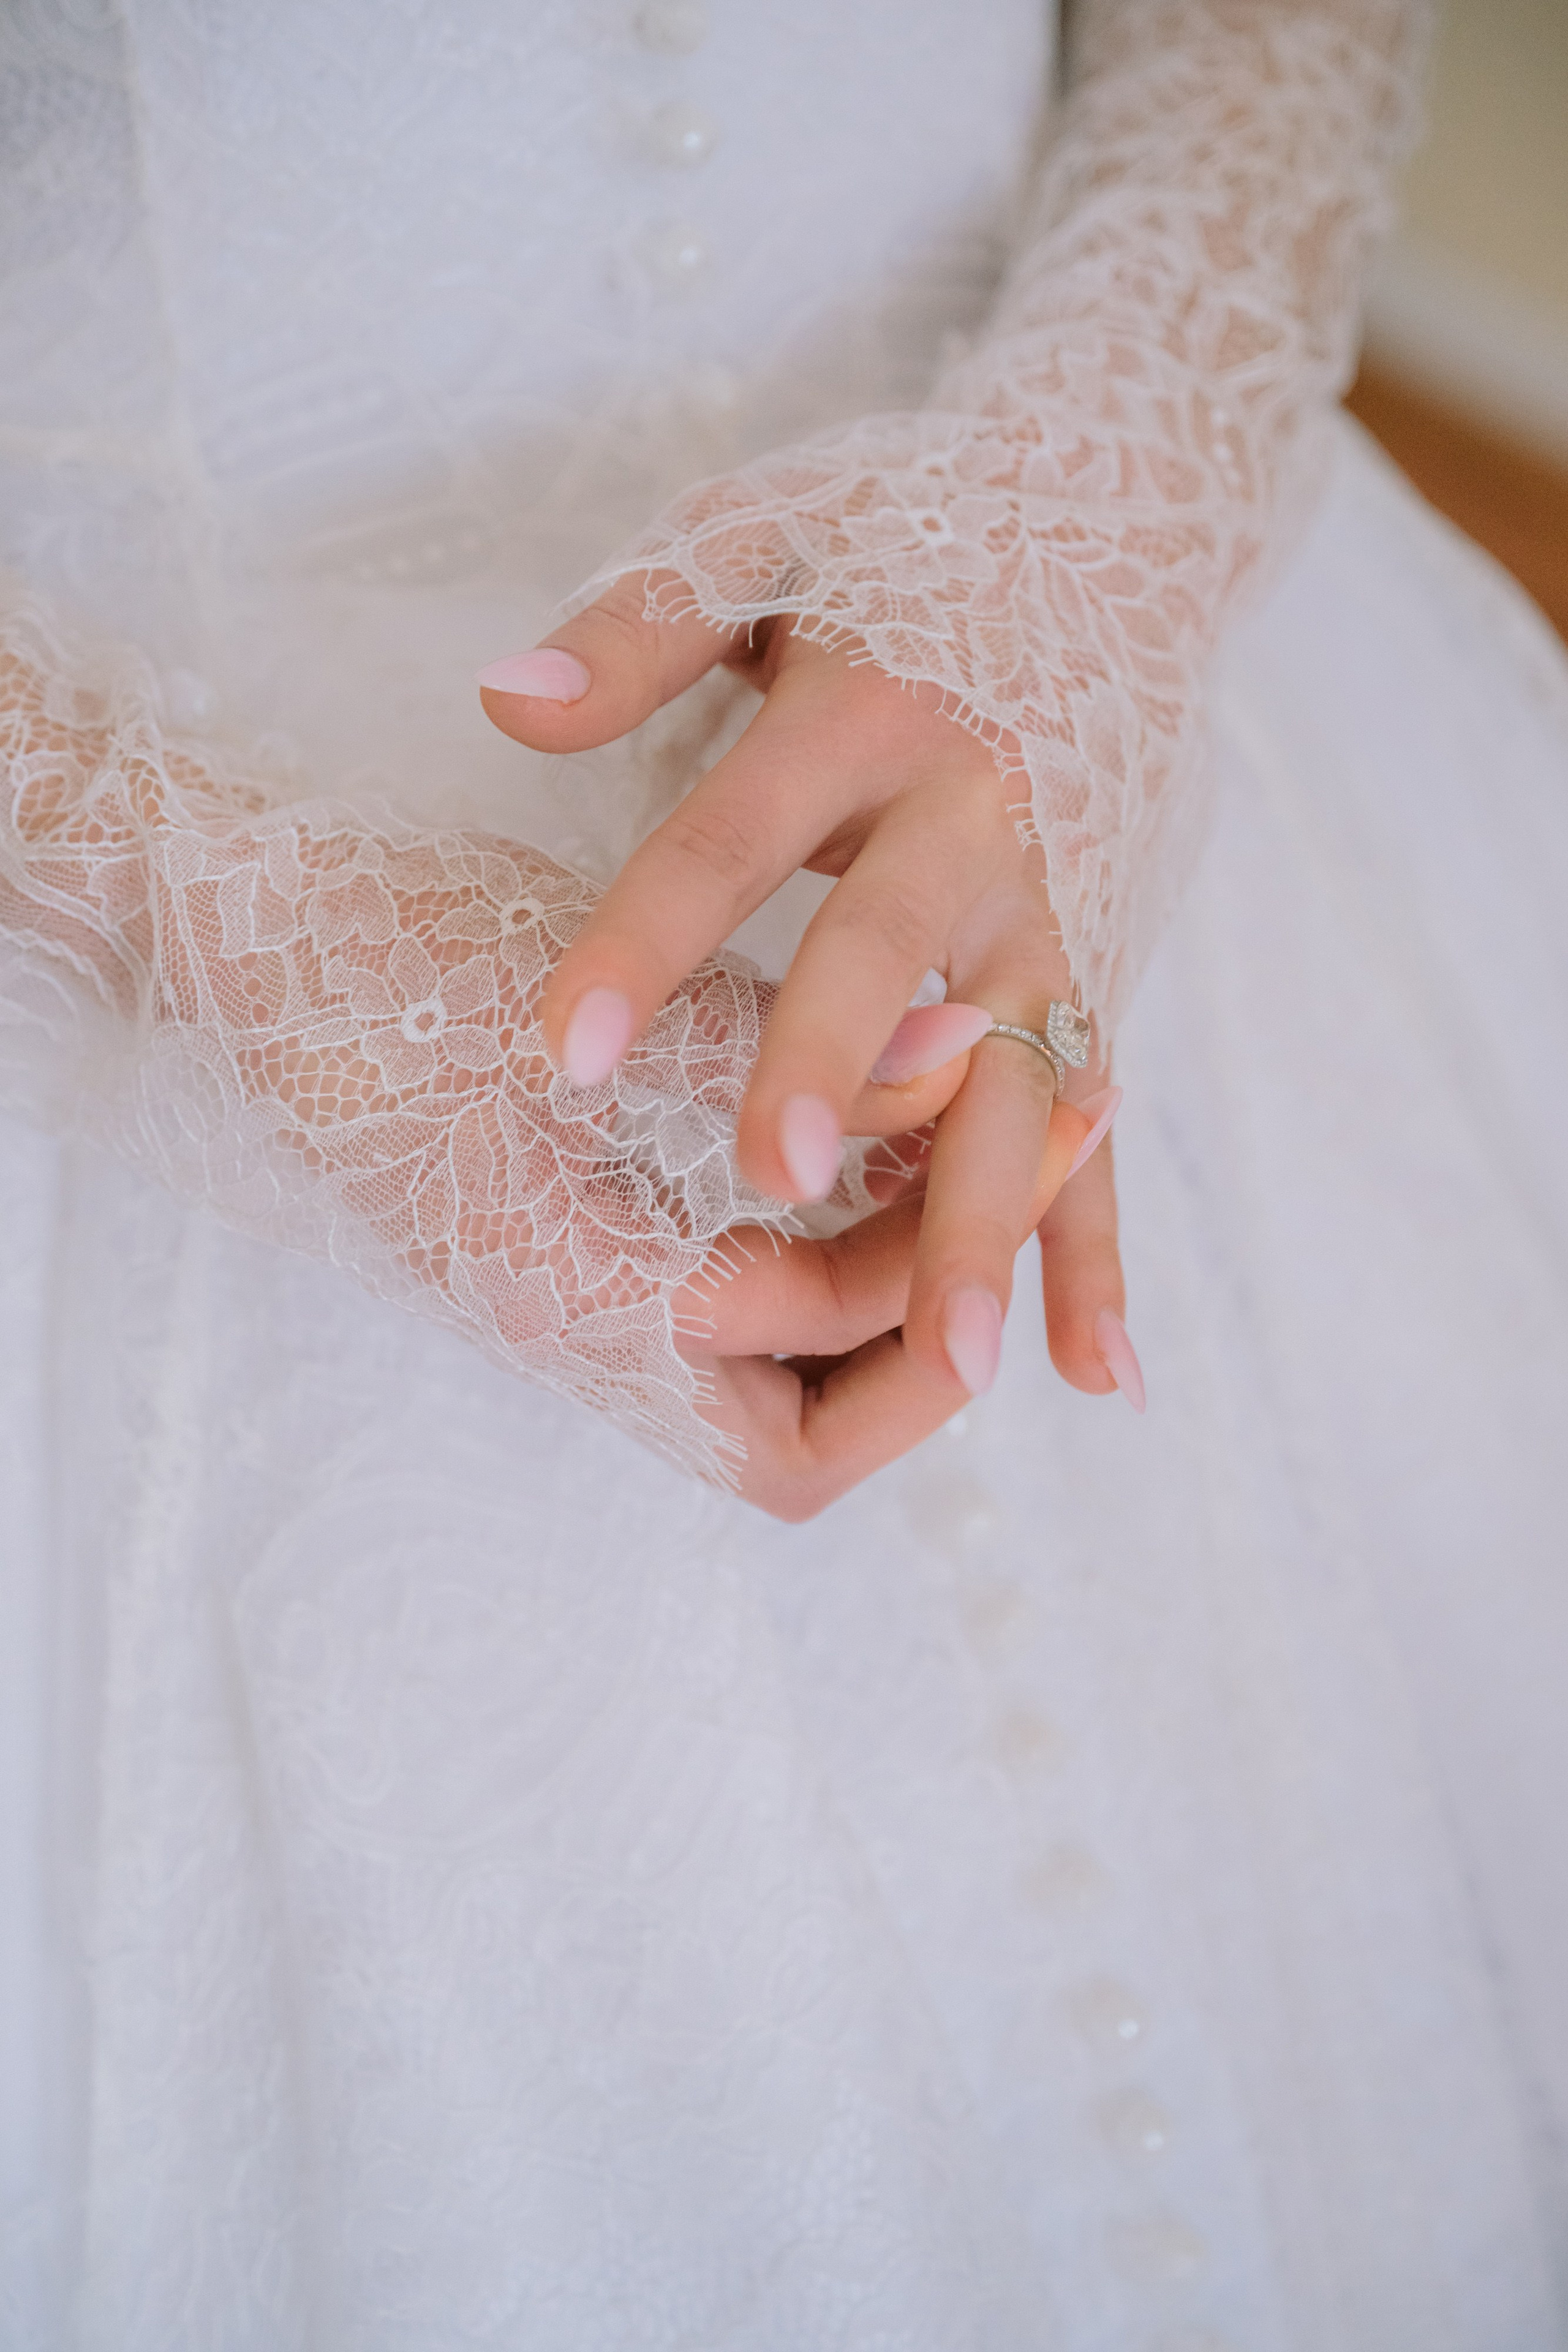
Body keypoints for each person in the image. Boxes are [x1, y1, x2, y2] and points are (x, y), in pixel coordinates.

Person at [2, 0, 1566, 2342]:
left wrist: (1102, 522)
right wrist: (139, 875)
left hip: (1087, 591)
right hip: (174, 896)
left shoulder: (1097, 554)